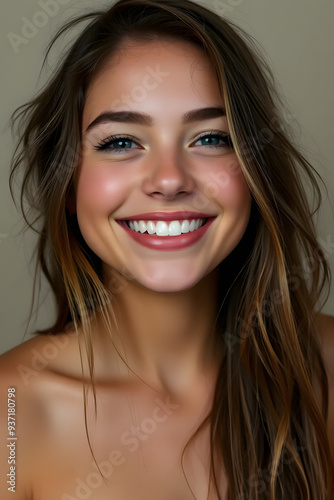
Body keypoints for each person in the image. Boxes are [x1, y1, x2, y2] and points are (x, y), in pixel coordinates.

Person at [0, 0, 333, 498]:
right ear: (69, 183)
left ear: (254, 170)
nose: (170, 179)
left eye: (210, 138)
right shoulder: (10, 413)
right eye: (119, 143)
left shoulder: (326, 368)